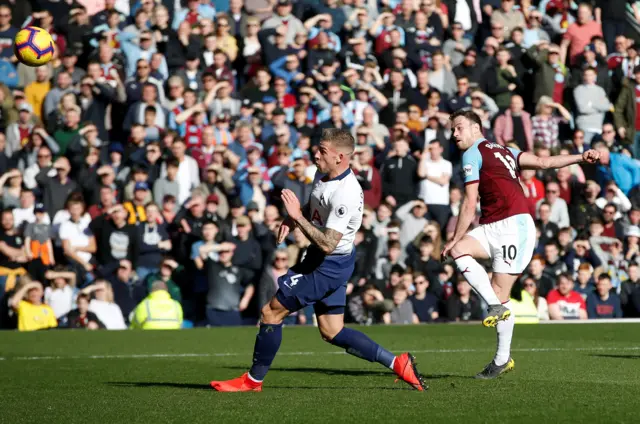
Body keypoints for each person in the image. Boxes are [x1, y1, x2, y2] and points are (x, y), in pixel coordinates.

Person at [210, 128, 425, 392]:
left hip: (326, 264)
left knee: (270, 312)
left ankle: (252, 381)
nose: (316, 153)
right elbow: (315, 208)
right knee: (332, 330)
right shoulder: (322, 174)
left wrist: (297, 219)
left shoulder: (345, 193)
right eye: (318, 147)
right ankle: (398, 363)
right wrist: (293, 218)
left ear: (341, 157)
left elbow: (327, 243)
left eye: (323, 151)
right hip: (330, 260)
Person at [441, 110, 600, 379]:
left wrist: (454, 235)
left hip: (513, 228)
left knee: (486, 280)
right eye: (452, 129)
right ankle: (495, 309)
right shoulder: (506, 150)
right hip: (493, 225)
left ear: (476, 128)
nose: (454, 134)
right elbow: (543, 161)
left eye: (458, 128)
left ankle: (502, 356)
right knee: (461, 254)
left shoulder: (471, 153)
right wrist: (579, 156)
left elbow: (469, 202)